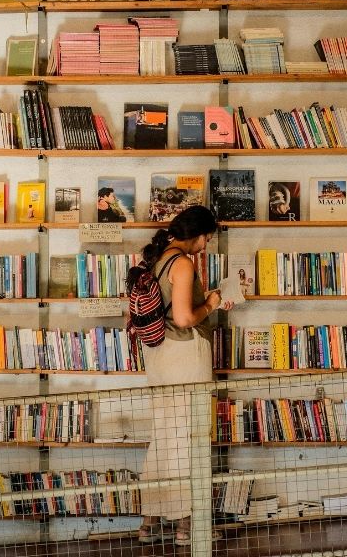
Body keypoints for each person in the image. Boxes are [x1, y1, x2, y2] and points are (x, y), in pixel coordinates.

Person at [126, 205, 233, 546]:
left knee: (165, 436)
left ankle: (148, 522)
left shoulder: (155, 259)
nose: (206, 245)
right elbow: (186, 318)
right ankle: (186, 525)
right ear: (198, 234)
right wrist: (213, 302)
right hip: (184, 353)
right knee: (186, 438)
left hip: (160, 355)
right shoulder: (183, 263)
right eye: (207, 238)